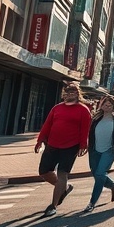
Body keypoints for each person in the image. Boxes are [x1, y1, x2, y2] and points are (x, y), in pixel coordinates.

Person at [35, 83, 92, 217]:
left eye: (71, 93)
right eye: (66, 93)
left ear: (77, 94)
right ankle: (64, 188)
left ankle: (53, 205)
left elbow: (85, 129)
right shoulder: (57, 108)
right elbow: (47, 125)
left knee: (62, 175)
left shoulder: (83, 110)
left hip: (70, 147)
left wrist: (83, 145)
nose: (68, 95)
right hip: (52, 145)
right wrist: (40, 140)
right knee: (43, 171)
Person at [85, 95, 114, 212]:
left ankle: (92, 202)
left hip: (110, 150)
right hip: (94, 150)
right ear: (101, 105)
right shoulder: (96, 118)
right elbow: (90, 134)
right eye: (105, 104)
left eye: (110, 104)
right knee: (95, 173)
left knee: (100, 173)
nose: (107, 106)